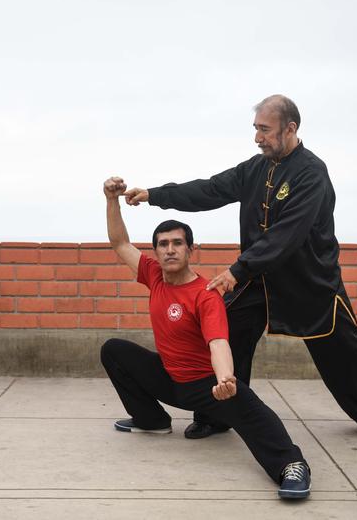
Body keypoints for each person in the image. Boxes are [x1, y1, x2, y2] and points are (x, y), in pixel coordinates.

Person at [123, 95, 357, 442]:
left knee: (343, 353)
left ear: (290, 128)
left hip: (309, 283)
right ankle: (216, 414)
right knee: (227, 338)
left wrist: (238, 270)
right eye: (256, 129)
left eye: (265, 130)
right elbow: (209, 190)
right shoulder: (254, 169)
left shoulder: (312, 173)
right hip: (256, 282)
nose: (258, 138)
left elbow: (288, 233)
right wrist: (153, 194)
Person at [99, 176, 311, 500]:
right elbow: (120, 244)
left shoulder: (205, 294)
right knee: (113, 350)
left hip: (205, 387)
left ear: (190, 249)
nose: (169, 249)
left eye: (177, 243)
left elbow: (218, 342)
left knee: (249, 407)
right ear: (155, 252)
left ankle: (291, 464)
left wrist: (225, 379)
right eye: (163, 244)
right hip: (170, 379)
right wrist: (111, 200)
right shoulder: (154, 275)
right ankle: (152, 420)